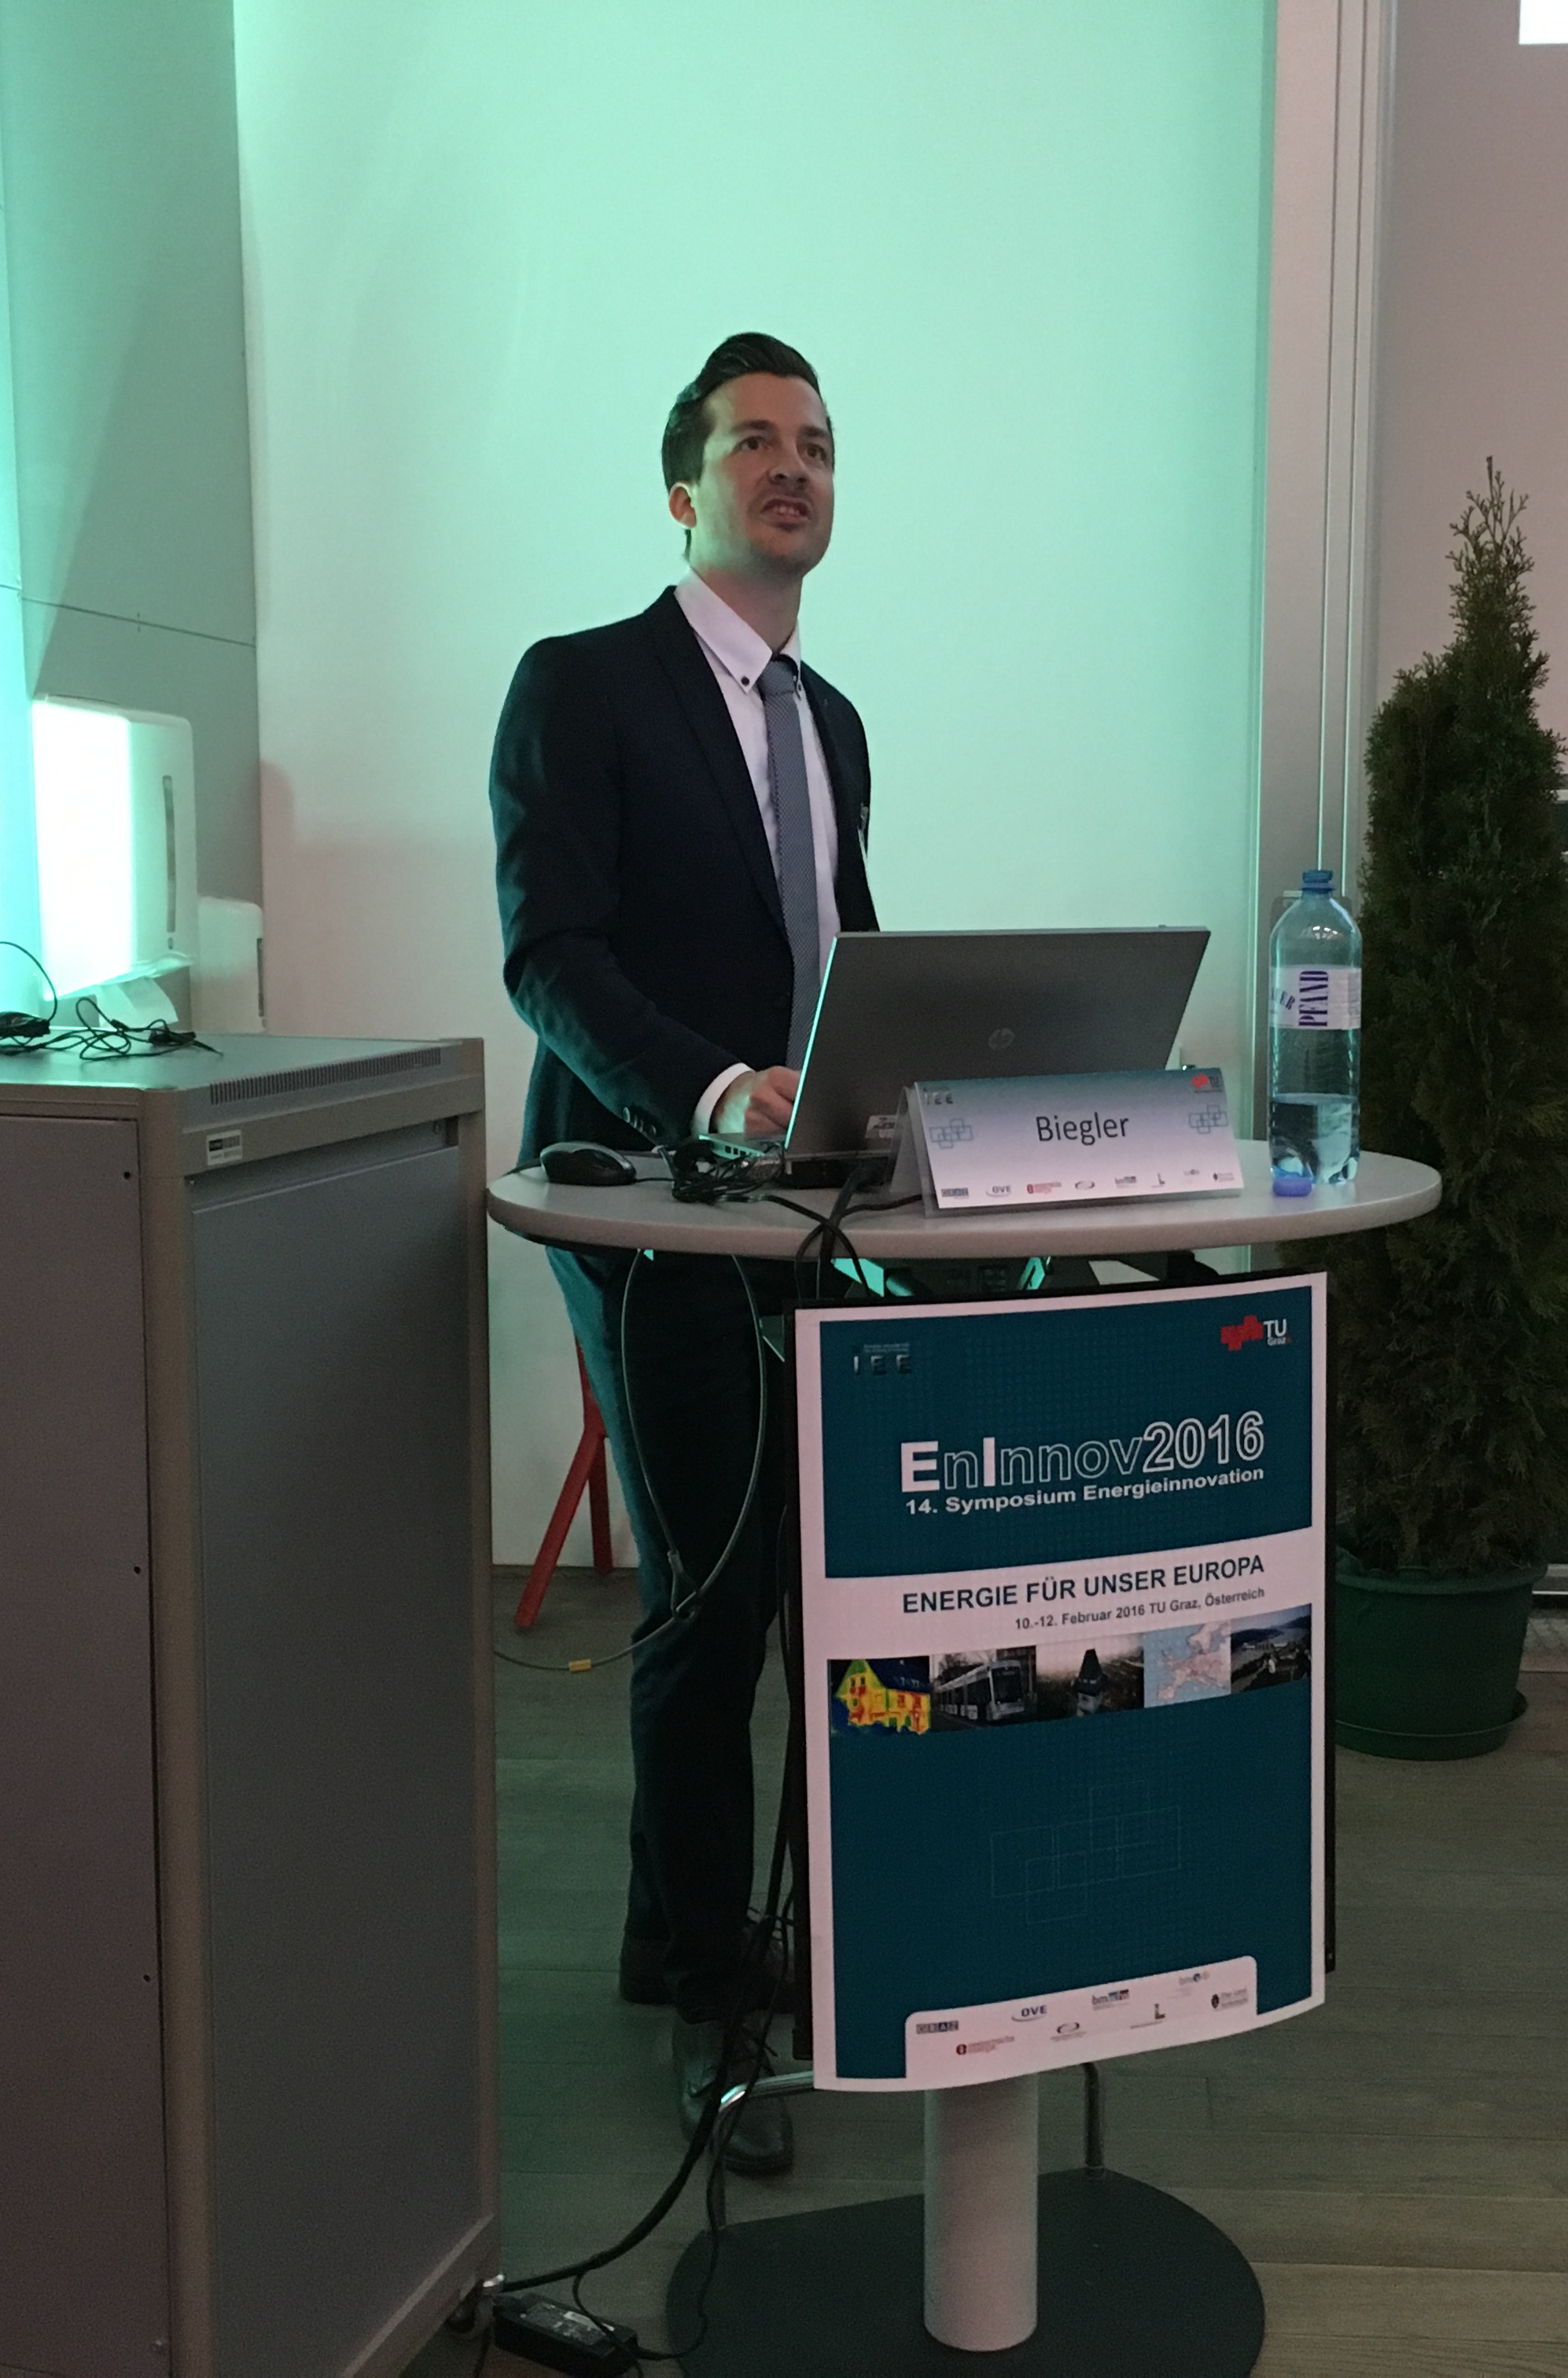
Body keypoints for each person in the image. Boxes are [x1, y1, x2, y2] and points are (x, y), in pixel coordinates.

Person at [488, 333, 875, 2177]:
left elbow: (842, 947)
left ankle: (682, 1933)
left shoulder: (833, 721)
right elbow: (550, 955)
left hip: (805, 1206)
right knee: (712, 1594)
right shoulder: (582, 686)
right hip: (638, 1199)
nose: (792, 466)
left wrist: (892, 1085)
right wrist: (713, 1090)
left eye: (817, 445)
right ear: (682, 486)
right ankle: (720, 2003)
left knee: (796, 1585)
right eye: (753, 441)